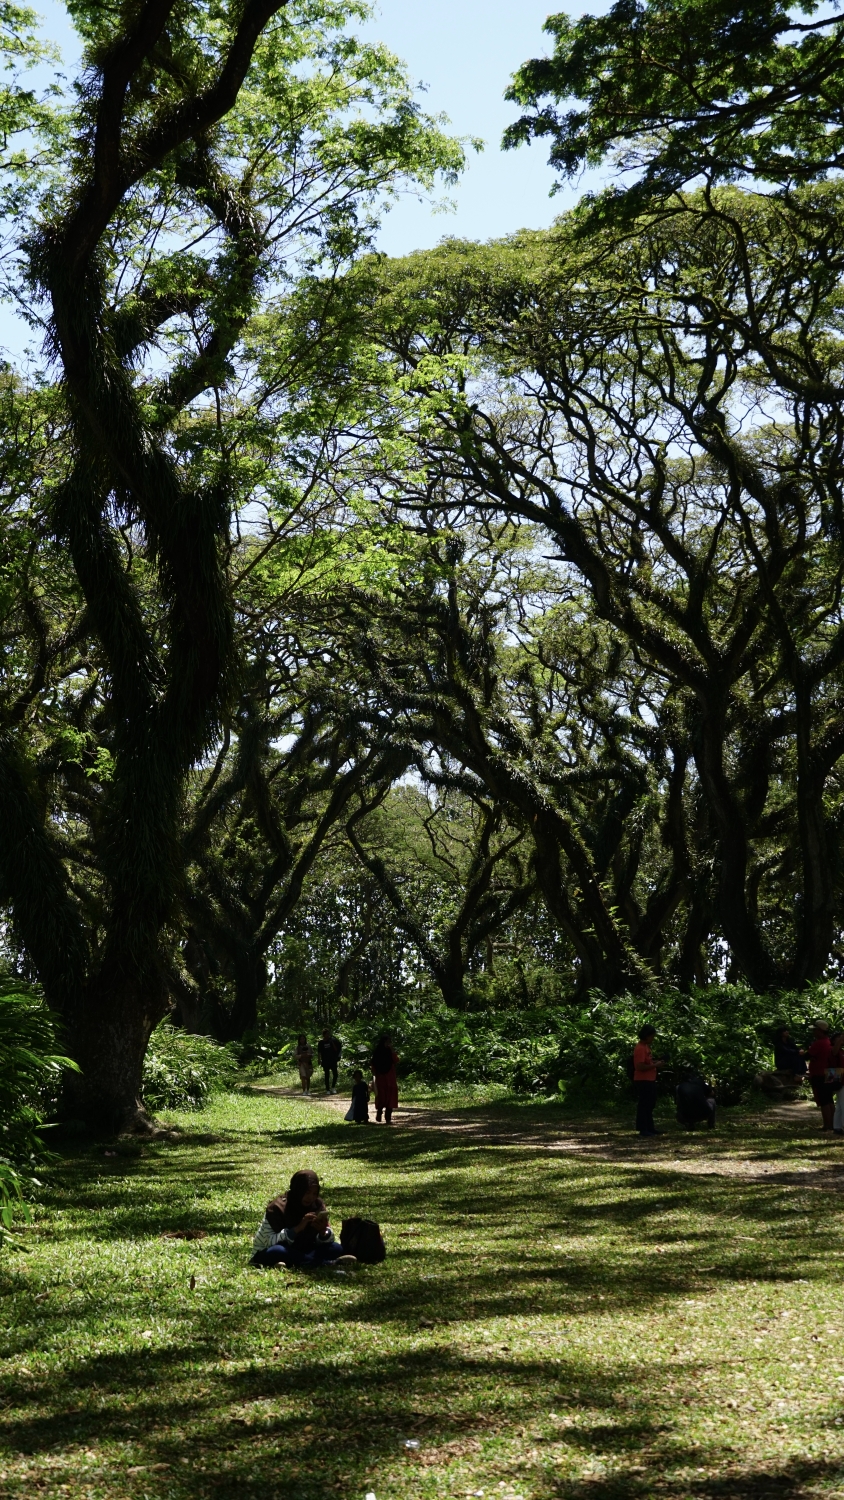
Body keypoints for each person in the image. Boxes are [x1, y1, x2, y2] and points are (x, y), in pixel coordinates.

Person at [250, 1169, 357, 1270]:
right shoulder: (277, 1208)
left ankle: (290, 1262)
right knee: (278, 1251)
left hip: (302, 1249)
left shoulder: (317, 1205)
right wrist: (297, 1229)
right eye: (307, 1192)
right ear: (298, 1190)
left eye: (314, 1193)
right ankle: (326, 1263)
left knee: (336, 1248)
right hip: (268, 1251)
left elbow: (325, 1239)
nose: (310, 1197)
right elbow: (268, 1242)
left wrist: (323, 1232)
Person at [633, 1024, 665, 1137]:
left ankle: (650, 1128)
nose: (653, 1039)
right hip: (643, 1080)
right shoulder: (640, 1048)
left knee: (650, 1104)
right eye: (652, 1036)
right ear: (647, 1036)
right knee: (644, 1105)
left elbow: (647, 1062)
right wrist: (655, 1065)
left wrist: (656, 1062)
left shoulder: (646, 1047)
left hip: (649, 1079)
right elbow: (639, 1066)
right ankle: (643, 1129)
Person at [806, 1020, 834, 1131]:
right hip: (828, 1073)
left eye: (815, 1030)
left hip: (819, 1074)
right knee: (829, 1099)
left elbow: (807, 1055)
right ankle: (832, 1123)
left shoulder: (819, 1043)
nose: (813, 1032)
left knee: (824, 1101)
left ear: (820, 1031)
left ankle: (827, 1125)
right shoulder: (828, 1041)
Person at [371, 1033, 399, 1124]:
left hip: (388, 1077)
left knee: (389, 1097)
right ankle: (380, 1112)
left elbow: (396, 1060)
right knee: (382, 1096)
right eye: (387, 1042)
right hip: (383, 1077)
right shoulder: (379, 1052)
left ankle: (388, 1118)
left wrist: (392, 1050)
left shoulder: (387, 1051)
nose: (388, 1043)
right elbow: (373, 1064)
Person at [317, 1028, 343, 1094]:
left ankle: (333, 1087)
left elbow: (336, 1049)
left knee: (335, 1074)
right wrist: (319, 1059)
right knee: (327, 1075)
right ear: (324, 1035)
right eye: (326, 1034)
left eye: (328, 1034)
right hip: (325, 1061)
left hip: (333, 1060)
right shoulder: (321, 1042)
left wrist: (332, 1042)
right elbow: (319, 1052)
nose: (328, 1035)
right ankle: (327, 1089)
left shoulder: (332, 1040)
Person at [830, 1032, 844, 1135]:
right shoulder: (833, 1050)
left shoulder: (841, 1051)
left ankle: (837, 1126)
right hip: (837, 1076)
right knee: (842, 1103)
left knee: (840, 1104)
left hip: (838, 1076)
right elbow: (834, 1051)